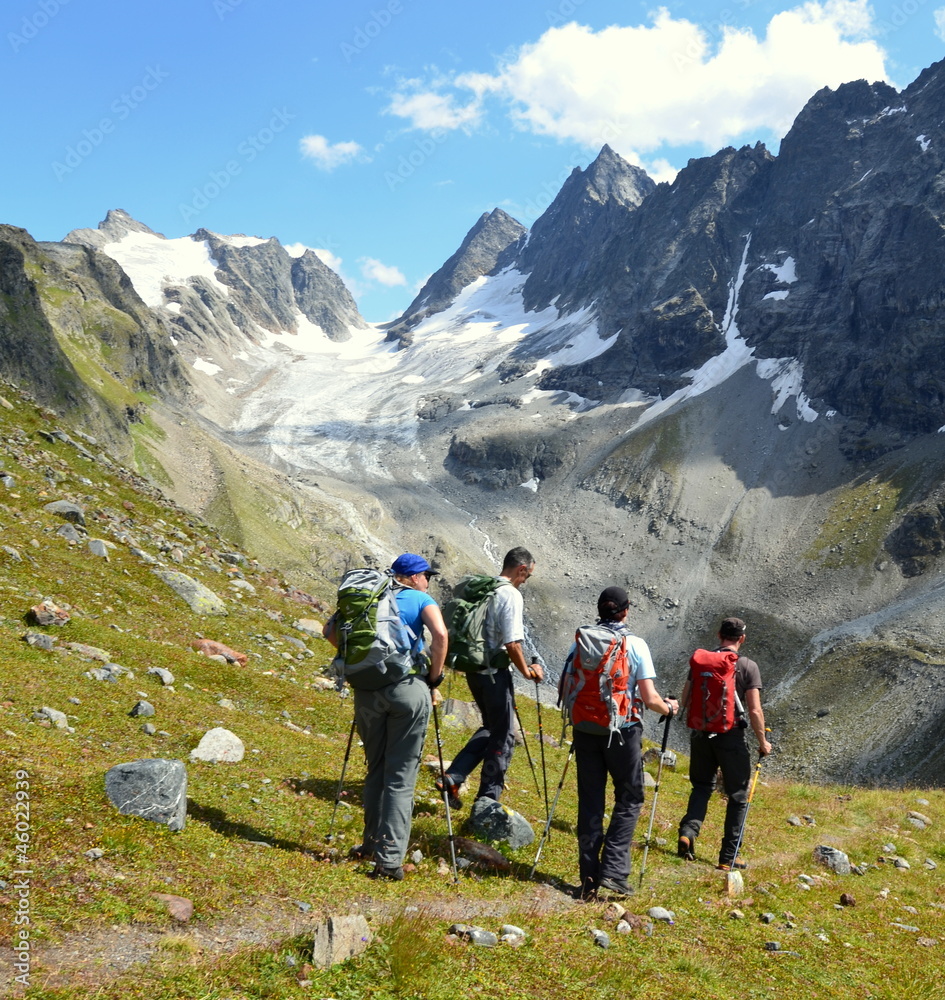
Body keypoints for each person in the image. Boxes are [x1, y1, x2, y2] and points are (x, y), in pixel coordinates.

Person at [324, 553, 447, 880]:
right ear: (414, 577)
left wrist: (361, 664)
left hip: (366, 692)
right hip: (406, 690)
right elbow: (441, 636)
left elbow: (329, 631)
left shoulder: (371, 597)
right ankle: (389, 861)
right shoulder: (420, 598)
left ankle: (369, 845)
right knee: (401, 776)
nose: (427, 581)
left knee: (375, 768)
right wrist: (434, 679)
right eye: (426, 576)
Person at [567, 586, 678, 899]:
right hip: (622, 730)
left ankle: (588, 880)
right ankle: (614, 872)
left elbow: (567, 684)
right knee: (630, 796)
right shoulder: (635, 644)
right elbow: (649, 697)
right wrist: (669, 708)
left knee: (590, 800)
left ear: (600, 609)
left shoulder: (582, 640)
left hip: (585, 728)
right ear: (626, 610)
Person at [438, 547, 543, 806]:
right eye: (527, 576)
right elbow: (513, 643)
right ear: (521, 569)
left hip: (475, 671)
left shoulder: (486, 588)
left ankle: (453, 777)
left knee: (491, 727)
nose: (525, 581)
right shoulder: (510, 594)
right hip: (495, 675)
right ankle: (487, 798)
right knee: (503, 735)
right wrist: (528, 672)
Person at [677, 616, 772, 871]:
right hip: (730, 737)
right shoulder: (748, 666)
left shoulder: (701, 662)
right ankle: (729, 856)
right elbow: (754, 710)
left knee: (701, 787)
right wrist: (763, 741)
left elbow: (685, 697)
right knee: (739, 795)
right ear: (742, 638)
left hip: (700, 733)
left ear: (719, 635)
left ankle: (688, 832)